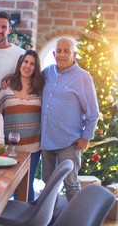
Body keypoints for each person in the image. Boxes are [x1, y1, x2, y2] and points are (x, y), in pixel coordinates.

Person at [41, 38, 99, 202]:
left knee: (71, 185)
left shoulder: (83, 77)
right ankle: (49, 219)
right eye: (59, 51)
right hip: (46, 141)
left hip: (69, 142)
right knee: (48, 184)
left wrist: (86, 137)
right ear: (54, 54)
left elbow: (93, 112)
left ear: (74, 54)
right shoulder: (47, 72)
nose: (62, 54)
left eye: (67, 51)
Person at [0, 50, 45, 201]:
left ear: (35, 68)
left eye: (32, 64)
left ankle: (27, 220)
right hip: (10, 149)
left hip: (32, 148)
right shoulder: (7, 87)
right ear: (20, 63)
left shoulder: (40, 89)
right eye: (25, 62)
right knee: (9, 186)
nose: (28, 66)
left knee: (27, 186)